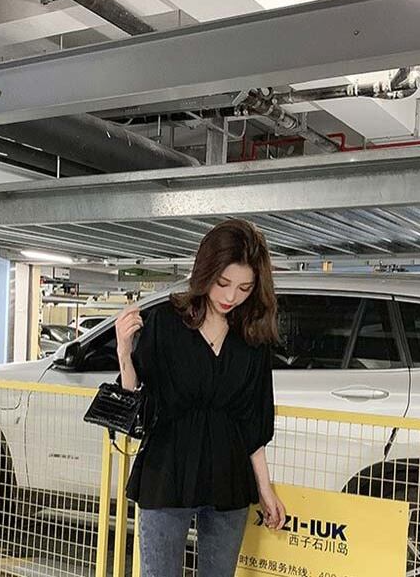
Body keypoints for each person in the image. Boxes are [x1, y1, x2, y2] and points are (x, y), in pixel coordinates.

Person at [114, 220, 285, 577]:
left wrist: (265, 489)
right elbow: (134, 401)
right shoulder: (166, 322)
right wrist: (124, 351)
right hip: (167, 472)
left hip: (228, 476)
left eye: (244, 288)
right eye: (223, 283)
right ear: (205, 271)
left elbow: (252, 422)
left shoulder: (252, 337)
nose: (231, 297)